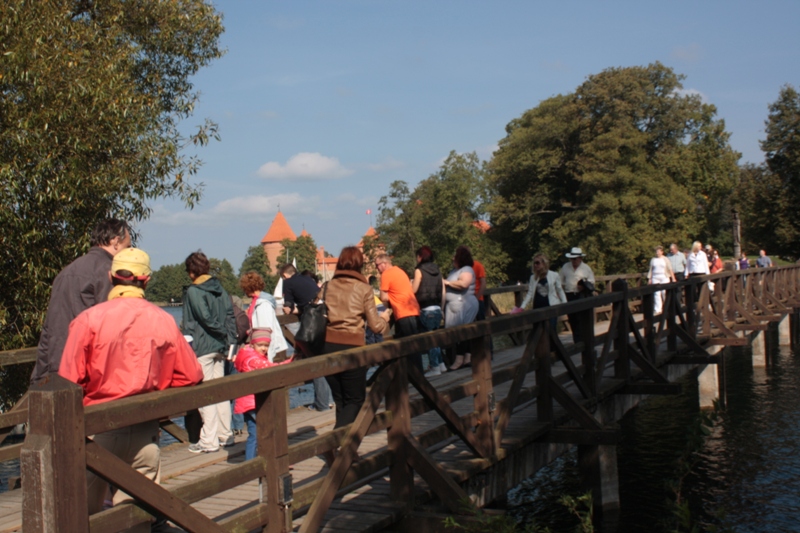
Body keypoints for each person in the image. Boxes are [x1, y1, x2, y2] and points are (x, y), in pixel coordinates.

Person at [58, 248, 203, 520]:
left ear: (112, 277)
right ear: (145, 281)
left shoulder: (87, 320)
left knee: (84, 516)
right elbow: (191, 375)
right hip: (144, 429)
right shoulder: (164, 320)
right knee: (136, 516)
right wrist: (160, 382)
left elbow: (67, 383)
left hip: (97, 430)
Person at [31, 218, 131, 383]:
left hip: (56, 365)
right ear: (115, 241)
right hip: (85, 370)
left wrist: (40, 376)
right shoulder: (108, 272)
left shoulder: (65, 272)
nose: (128, 252)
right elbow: (111, 329)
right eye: (127, 247)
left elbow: (49, 327)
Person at [321, 247, 390, 436]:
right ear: (359, 265)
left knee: (341, 400)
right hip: (353, 347)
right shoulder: (364, 288)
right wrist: (386, 317)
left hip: (328, 346)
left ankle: (345, 450)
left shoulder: (327, 286)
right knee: (356, 400)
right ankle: (333, 441)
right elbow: (375, 326)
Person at [183, 251, 237, 454]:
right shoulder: (220, 289)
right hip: (220, 347)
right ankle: (226, 434)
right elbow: (230, 314)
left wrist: (220, 331)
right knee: (221, 392)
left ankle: (209, 440)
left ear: (191, 272)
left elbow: (203, 317)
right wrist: (229, 338)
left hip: (203, 346)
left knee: (206, 394)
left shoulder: (194, 291)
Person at [278, 264, 333, 412]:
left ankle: (322, 403)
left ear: (284, 275)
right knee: (324, 360)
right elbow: (309, 300)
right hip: (324, 319)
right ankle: (328, 400)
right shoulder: (307, 278)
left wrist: (286, 309)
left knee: (316, 362)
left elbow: (288, 305)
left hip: (311, 323)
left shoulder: (288, 283)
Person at [233, 327, 293, 461]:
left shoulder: (248, 355)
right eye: (260, 345)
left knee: (254, 433)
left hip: (248, 400)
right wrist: (290, 362)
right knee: (271, 429)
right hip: (252, 401)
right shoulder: (252, 359)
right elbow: (269, 367)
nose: (264, 348)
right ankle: (275, 460)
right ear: (252, 344)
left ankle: (251, 462)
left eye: (266, 345)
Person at [374, 252, 423, 372]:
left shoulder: (386, 274)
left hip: (403, 312)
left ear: (384, 264)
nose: (377, 268)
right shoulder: (400, 271)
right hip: (413, 310)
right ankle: (414, 374)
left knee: (408, 347)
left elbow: (384, 297)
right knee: (413, 345)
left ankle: (415, 376)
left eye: (377, 265)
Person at [443, 246, 480, 370]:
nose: (453, 258)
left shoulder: (467, 269)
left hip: (465, 304)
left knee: (463, 332)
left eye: (455, 256)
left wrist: (447, 283)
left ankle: (459, 360)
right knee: (461, 333)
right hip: (455, 305)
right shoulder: (454, 271)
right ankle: (466, 358)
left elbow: (464, 284)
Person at [239, 272, 288, 362]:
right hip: (259, 343)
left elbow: (266, 327)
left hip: (263, 344)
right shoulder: (256, 302)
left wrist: (264, 347)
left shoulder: (264, 304)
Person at [412, 246, 445, 376]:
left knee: (430, 340)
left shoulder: (419, 270)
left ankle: (434, 367)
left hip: (426, 308)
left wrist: (410, 284)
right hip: (437, 307)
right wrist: (442, 308)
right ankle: (441, 364)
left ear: (420, 256)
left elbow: (414, 290)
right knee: (436, 338)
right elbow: (442, 289)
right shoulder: (437, 269)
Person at [512, 253, 567, 330]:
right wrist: (522, 307)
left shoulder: (554, 275)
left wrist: (565, 304)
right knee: (538, 330)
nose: (535, 265)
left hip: (551, 305)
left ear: (544, 263)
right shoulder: (533, 277)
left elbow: (560, 290)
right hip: (538, 306)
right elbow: (530, 293)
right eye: (534, 263)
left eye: (537, 263)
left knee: (551, 329)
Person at [559, 247, 596, 344]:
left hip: (581, 295)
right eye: (572, 258)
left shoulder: (586, 268)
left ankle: (584, 340)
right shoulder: (565, 267)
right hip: (570, 295)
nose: (573, 260)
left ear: (580, 258)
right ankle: (577, 340)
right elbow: (560, 280)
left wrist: (584, 286)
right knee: (572, 319)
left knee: (581, 318)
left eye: (575, 258)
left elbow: (592, 281)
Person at [648, 246, 676, 315]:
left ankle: (666, 308)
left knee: (664, 292)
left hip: (664, 277)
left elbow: (670, 269)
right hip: (655, 277)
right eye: (656, 251)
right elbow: (651, 270)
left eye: (659, 251)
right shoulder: (653, 260)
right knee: (656, 293)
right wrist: (650, 278)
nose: (657, 253)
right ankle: (658, 309)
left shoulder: (665, 259)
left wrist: (673, 278)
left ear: (662, 252)